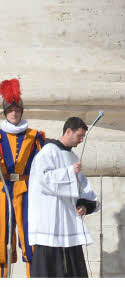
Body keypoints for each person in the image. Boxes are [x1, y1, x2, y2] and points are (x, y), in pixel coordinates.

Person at [26, 116, 99, 278]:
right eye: (79, 136)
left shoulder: (72, 157)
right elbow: (42, 180)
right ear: (68, 131)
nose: (81, 140)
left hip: (68, 222)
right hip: (49, 222)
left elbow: (81, 186)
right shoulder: (48, 152)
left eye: (83, 137)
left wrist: (85, 205)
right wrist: (68, 173)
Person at [0, 79, 46, 278]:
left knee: (30, 242)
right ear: (5, 112)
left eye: (17, 109)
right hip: (2, 191)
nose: (14, 112)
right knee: (1, 241)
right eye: (10, 109)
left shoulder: (36, 136)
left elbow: (44, 166)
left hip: (28, 191)